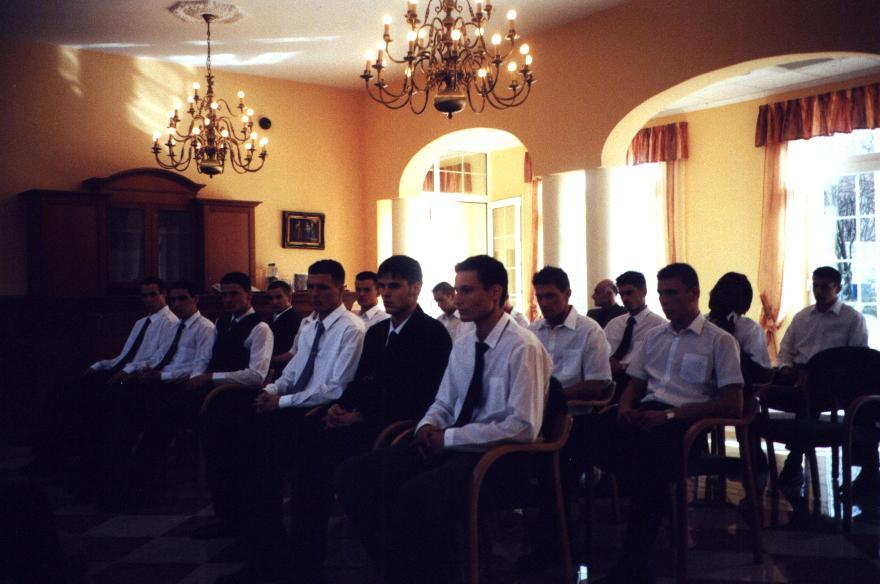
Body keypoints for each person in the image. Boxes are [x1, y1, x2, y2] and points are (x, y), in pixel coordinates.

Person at [336, 255, 552, 584]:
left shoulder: (522, 347)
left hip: (500, 459)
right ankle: (396, 567)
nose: (457, 299)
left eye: (466, 291)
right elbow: (444, 401)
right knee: (356, 474)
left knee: (419, 493)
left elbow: (523, 426)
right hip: (454, 447)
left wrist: (448, 439)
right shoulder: (464, 345)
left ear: (495, 292)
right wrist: (426, 426)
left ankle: (432, 575)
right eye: (457, 290)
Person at [284, 255, 452, 582]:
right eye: (383, 286)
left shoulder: (432, 334)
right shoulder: (377, 333)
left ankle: (389, 565)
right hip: (362, 422)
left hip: (395, 428)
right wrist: (341, 407)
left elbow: (421, 398)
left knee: (333, 465)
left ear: (415, 288)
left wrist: (359, 417)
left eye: (395, 286)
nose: (386, 293)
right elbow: (361, 382)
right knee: (307, 449)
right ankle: (305, 560)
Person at [206, 260, 365, 581]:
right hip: (294, 409)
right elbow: (293, 372)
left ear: (341, 289)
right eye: (312, 287)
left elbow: (334, 388)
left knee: (285, 470)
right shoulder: (309, 324)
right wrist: (271, 391)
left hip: (322, 415)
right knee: (241, 449)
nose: (316, 294)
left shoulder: (352, 328)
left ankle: (299, 562)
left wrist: (282, 401)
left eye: (324, 288)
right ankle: (264, 548)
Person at [592, 263, 743, 583]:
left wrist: (670, 416)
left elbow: (733, 403)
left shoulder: (719, 341)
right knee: (586, 435)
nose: (664, 300)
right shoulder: (654, 336)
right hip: (649, 414)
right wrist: (626, 407)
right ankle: (569, 542)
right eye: (661, 293)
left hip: (686, 425)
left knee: (647, 464)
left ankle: (633, 562)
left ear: (694, 293)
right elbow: (635, 384)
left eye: (672, 293)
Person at [35, 276, 179, 479]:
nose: (148, 300)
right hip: (121, 371)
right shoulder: (141, 323)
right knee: (62, 391)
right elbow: (123, 356)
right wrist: (100, 365)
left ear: (163, 294)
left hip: (138, 378)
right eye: (144, 296)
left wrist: (128, 371)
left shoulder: (171, 323)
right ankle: (51, 458)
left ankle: (84, 464)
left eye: (153, 295)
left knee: (92, 402)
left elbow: (157, 359)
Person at [99, 280, 215, 508]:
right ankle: (116, 483)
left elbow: (198, 368)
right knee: (119, 411)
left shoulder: (206, 328)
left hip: (184, 389)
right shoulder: (174, 327)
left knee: (154, 425)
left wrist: (161, 376)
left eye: (182, 299)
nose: (177, 304)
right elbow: (157, 357)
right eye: (173, 300)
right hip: (160, 384)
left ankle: (138, 489)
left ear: (195, 299)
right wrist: (136, 370)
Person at [190, 271, 274, 537]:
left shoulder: (260, 328)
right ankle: (223, 517)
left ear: (248, 295)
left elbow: (256, 375)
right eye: (224, 294)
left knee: (234, 464)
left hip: (241, 401)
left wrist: (212, 378)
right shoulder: (222, 322)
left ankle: (239, 521)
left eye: (234, 293)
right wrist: (198, 377)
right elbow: (206, 357)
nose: (228, 299)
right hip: (215, 398)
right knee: (215, 463)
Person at [774, 266, 870, 487]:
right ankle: (790, 458)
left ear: (838, 288)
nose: (818, 291)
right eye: (815, 286)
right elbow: (785, 349)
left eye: (824, 287)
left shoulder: (852, 318)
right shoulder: (802, 317)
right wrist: (786, 368)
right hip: (798, 374)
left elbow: (858, 359)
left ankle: (794, 459)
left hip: (833, 381)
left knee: (811, 394)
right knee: (767, 387)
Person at [530, 266, 611, 401]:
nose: (543, 303)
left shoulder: (590, 331)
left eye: (550, 296)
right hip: (533, 408)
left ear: (567, 294)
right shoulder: (532, 332)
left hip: (573, 409)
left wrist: (549, 399)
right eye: (539, 297)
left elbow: (595, 385)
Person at [605, 271, 667, 398]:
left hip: (636, 381)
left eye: (629, 293)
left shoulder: (659, 326)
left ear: (643, 292)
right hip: (607, 377)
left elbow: (656, 364)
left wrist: (623, 367)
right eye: (622, 294)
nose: (625, 299)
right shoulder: (614, 324)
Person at [266, 280, 302, 374]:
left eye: (279, 297)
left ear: (289, 298)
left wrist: (265, 361)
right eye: (270, 298)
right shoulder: (269, 319)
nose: (274, 302)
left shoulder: (295, 320)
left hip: (282, 371)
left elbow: (291, 353)